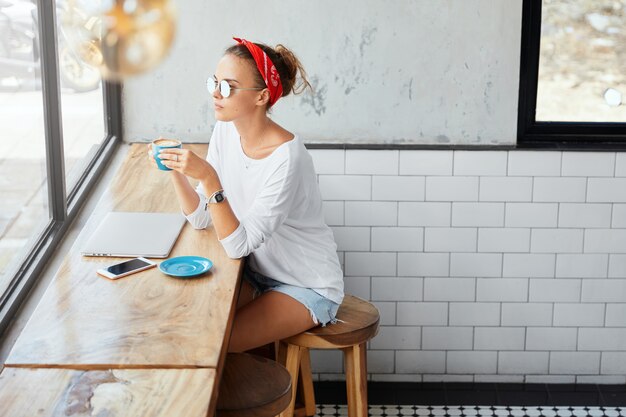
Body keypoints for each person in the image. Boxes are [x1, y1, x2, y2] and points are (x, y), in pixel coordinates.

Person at [148, 37, 344, 353]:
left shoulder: (287, 157)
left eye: (228, 87)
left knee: (213, 343)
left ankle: (264, 399)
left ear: (261, 96)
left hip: (305, 284)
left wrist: (209, 177)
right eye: (214, 82)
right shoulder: (225, 130)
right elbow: (200, 218)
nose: (215, 93)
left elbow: (238, 246)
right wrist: (175, 168)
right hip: (256, 273)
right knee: (189, 321)